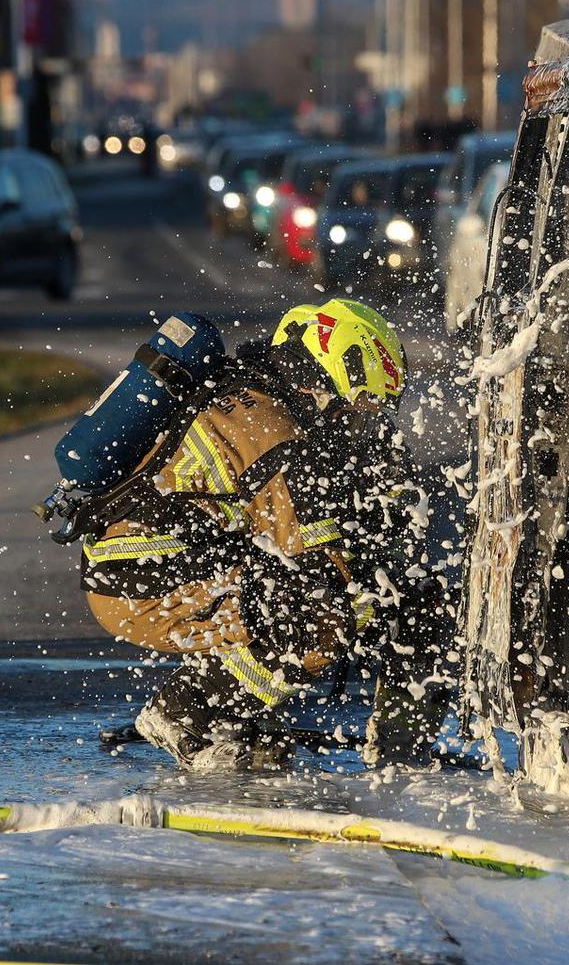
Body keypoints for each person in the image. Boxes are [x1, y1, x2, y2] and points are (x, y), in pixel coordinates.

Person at [73, 300, 453, 770]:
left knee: (393, 597)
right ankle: (184, 713)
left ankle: (398, 751)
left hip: (175, 563)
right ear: (325, 382)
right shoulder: (275, 434)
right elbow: (319, 563)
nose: (361, 426)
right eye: (358, 409)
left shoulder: (262, 394)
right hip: (142, 585)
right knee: (322, 614)